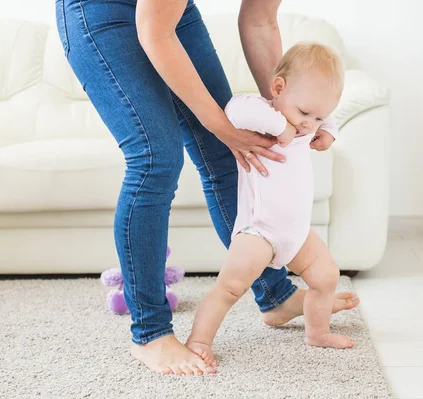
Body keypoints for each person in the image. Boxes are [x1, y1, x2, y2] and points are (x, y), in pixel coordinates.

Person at [55, 0, 359, 376]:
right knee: (156, 157)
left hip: (170, 14)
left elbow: (261, 21)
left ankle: (276, 296)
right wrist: (222, 124)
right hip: (103, 11)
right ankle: (150, 333)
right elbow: (153, 29)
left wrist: (286, 118)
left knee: (238, 152)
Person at [186, 43, 354, 367]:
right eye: (305, 113)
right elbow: (235, 109)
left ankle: (317, 333)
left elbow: (326, 116)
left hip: (296, 233)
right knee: (230, 287)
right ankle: (199, 340)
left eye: (317, 117)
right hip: (259, 231)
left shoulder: (309, 122)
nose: (308, 124)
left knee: (326, 276)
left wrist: (328, 131)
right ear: (278, 88)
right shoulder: (264, 115)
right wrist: (282, 127)